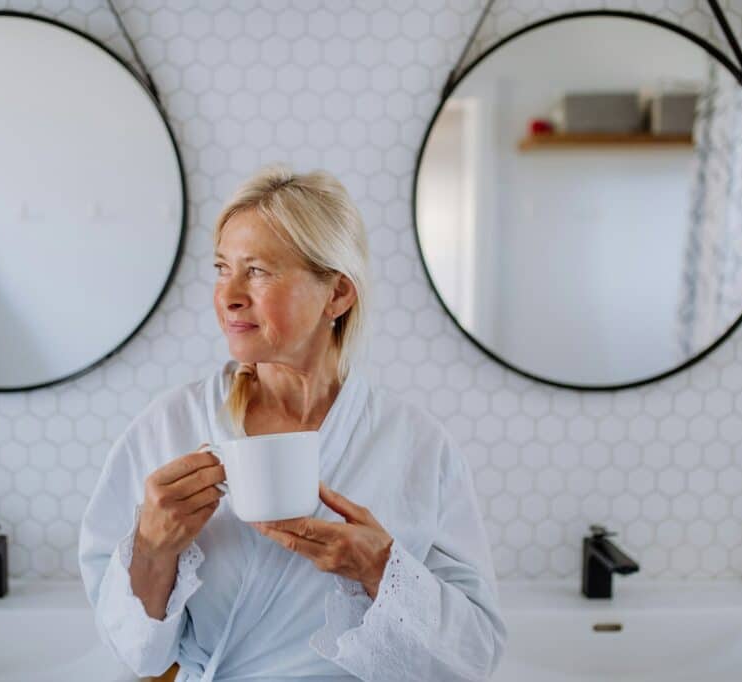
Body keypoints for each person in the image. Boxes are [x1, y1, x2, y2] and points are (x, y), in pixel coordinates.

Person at [78, 164, 507, 681]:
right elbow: (135, 658)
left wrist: (382, 569)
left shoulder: (414, 444)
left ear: (338, 295)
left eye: (257, 271)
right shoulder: (170, 426)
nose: (229, 294)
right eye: (221, 268)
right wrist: (151, 548)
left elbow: (476, 655)